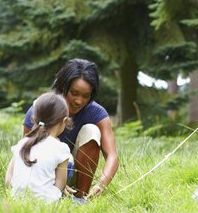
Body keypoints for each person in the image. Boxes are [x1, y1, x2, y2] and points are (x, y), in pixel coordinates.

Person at [24, 59, 118, 198]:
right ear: (63, 88)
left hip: (74, 173)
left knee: (92, 130)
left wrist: (101, 184)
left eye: (86, 96)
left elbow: (112, 155)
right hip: (44, 176)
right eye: (74, 93)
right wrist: (57, 179)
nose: (79, 101)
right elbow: (25, 152)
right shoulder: (41, 109)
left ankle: (81, 197)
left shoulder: (97, 113)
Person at [6, 93, 73, 201]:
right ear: (64, 121)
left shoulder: (22, 144)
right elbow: (60, 185)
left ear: (34, 118)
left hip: (16, 200)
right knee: (81, 202)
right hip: (46, 203)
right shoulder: (61, 148)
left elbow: (8, 179)